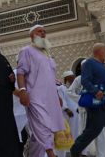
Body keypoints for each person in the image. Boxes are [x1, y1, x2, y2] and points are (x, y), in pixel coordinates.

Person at [16, 24, 64, 157]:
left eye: (44, 31)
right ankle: (51, 153)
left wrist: (57, 94)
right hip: (35, 96)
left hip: (50, 97)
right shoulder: (26, 51)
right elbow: (21, 73)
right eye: (39, 31)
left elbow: (51, 77)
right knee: (43, 125)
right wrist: (22, 91)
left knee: (40, 133)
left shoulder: (47, 54)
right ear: (32, 35)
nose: (43, 33)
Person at [70, 44, 105, 157]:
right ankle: (75, 150)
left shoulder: (102, 66)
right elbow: (85, 80)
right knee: (93, 131)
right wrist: (95, 91)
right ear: (99, 51)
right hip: (97, 105)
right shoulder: (89, 63)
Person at [68, 66, 105, 157]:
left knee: (100, 134)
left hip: (97, 110)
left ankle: (101, 155)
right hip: (85, 111)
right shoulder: (79, 79)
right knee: (84, 134)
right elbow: (69, 92)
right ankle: (80, 153)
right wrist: (81, 99)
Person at [56, 71, 79, 157]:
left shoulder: (74, 88)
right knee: (68, 134)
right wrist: (66, 109)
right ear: (66, 78)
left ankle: (76, 152)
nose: (73, 78)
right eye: (71, 77)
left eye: (73, 76)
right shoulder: (61, 88)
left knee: (76, 133)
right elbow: (61, 99)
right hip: (67, 114)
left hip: (76, 113)